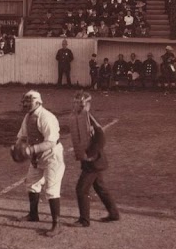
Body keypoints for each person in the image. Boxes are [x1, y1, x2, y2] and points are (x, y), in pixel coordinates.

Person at [16, 90, 65, 237]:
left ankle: (57, 224)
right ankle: (33, 214)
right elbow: (23, 136)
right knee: (31, 184)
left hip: (52, 156)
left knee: (51, 189)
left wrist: (31, 150)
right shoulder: (28, 117)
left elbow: (50, 142)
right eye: (24, 101)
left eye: (28, 101)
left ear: (38, 102)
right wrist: (17, 146)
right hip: (37, 156)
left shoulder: (46, 117)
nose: (25, 104)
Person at [68, 91, 121, 227]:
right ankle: (114, 214)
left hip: (93, 162)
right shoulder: (81, 117)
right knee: (100, 188)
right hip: (91, 161)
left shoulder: (88, 118)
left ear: (87, 105)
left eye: (79, 103)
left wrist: (90, 154)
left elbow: (101, 138)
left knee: (81, 189)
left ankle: (84, 220)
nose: (76, 106)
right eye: (75, 103)